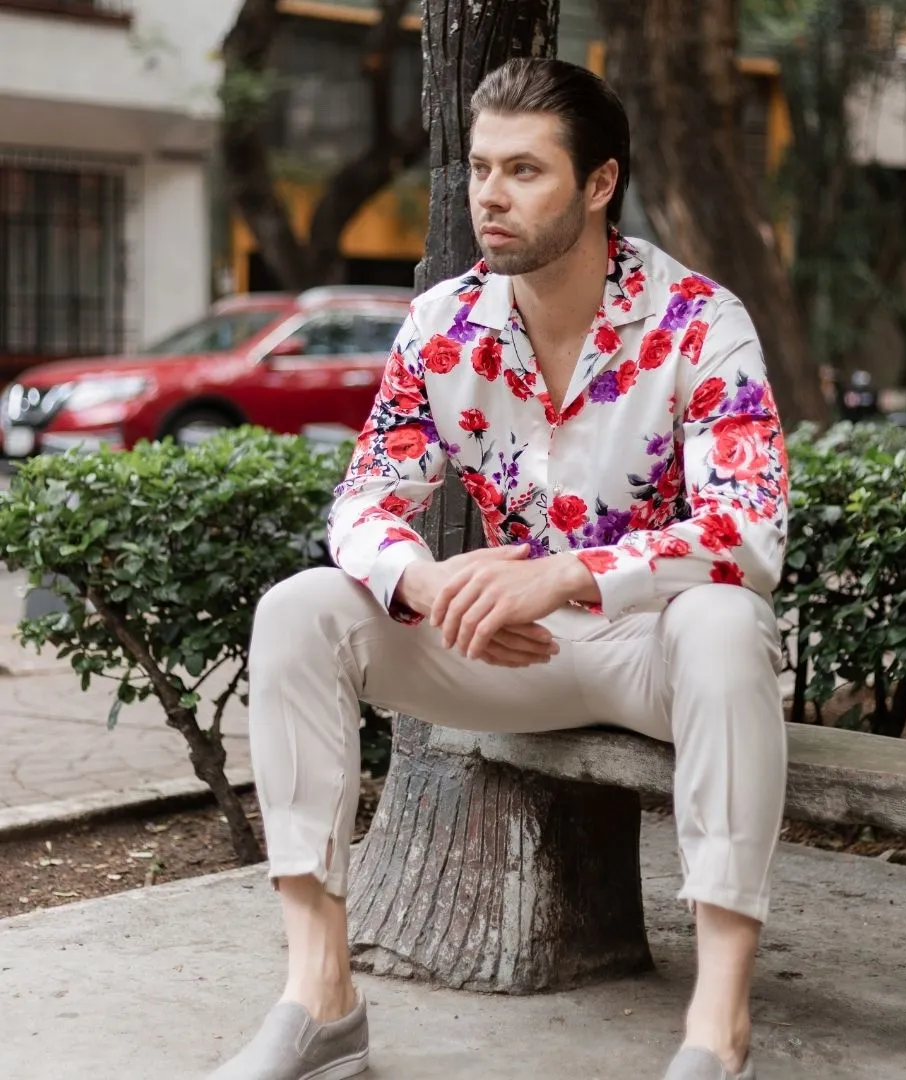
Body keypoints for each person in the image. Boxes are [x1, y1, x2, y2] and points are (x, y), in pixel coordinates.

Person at [210, 57, 788, 1080]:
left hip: (653, 653)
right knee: (300, 611)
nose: (489, 195)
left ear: (598, 184)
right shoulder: (444, 326)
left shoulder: (701, 320)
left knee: (727, 622)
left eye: (524, 170)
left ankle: (716, 1029)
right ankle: (320, 997)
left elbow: (748, 532)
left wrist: (569, 575)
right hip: (504, 654)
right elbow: (361, 502)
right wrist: (425, 583)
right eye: (481, 168)